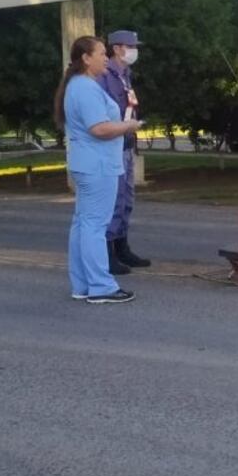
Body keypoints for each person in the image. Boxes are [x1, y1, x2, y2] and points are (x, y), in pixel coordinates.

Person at [54, 36, 143, 304]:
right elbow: (100, 128)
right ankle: (101, 286)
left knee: (83, 224)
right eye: (101, 53)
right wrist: (129, 126)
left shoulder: (79, 85)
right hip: (98, 166)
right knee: (94, 226)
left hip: (87, 164)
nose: (106, 58)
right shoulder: (85, 88)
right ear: (86, 58)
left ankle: (82, 284)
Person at [99, 29, 151, 275]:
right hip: (113, 144)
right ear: (118, 48)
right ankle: (108, 252)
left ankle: (122, 246)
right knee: (115, 199)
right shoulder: (105, 75)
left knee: (127, 198)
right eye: (131, 47)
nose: (134, 51)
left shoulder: (125, 74)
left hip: (127, 143)